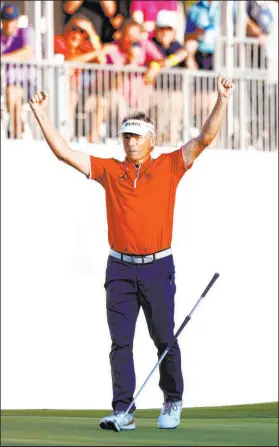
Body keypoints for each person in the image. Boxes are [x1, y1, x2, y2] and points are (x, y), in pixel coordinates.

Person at [28, 73, 234, 431]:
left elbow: (205, 138)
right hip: (119, 269)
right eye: (126, 136)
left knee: (164, 339)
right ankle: (124, 411)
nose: (130, 142)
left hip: (157, 268)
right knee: (119, 343)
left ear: (152, 140)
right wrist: (41, 114)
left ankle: (172, 399)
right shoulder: (111, 170)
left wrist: (223, 99)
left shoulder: (169, 165)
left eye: (137, 136)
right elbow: (63, 153)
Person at [150, 10, 188, 145]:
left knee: (173, 128)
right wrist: (175, 58)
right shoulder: (150, 44)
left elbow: (191, 68)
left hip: (175, 92)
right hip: (156, 91)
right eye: (162, 28)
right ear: (156, 29)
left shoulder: (179, 46)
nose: (165, 32)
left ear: (174, 31)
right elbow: (155, 63)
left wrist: (189, 54)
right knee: (157, 127)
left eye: (169, 28)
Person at [0, 3, 35, 138]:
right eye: (6, 21)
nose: (9, 25)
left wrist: (3, 58)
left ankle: (16, 132)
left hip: (27, 84)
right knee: (11, 92)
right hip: (4, 84)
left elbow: (27, 52)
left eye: (12, 21)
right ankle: (16, 130)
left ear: (17, 20)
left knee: (12, 93)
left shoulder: (26, 32)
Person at [184, 0, 220, 71]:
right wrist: (197, 33)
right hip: (201, 55)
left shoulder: (228, 7)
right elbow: (186, 37)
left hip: (221, 56)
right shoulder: (194, 8)